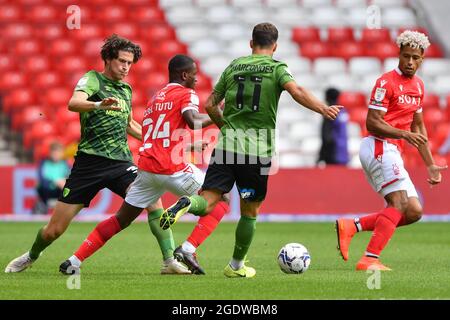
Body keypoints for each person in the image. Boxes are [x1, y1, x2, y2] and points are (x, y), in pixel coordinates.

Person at [159, 22, 342, 278]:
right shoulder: (277, 68)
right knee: (250, 211)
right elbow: (296, 90)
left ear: (250, 43)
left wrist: (225, 126)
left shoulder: (234, 66)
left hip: (225, 146)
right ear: (275, 46)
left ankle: (188, 203)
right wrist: (323, 108)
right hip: (255, 151)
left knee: (209, 199)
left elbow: (211, 104)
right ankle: (235, 266)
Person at [5, 34, 185, 274]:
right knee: (54, 230)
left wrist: (161, 142)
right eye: (122, 61)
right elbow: (74, 102)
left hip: (121, 163)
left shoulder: (126, 89)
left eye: (130, 63)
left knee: (152, 201)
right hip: (88, 165)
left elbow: (130, 124)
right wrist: (99, 104)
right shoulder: (92, 80)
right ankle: (32, 254)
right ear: (108, 59)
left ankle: (169, 261)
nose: (126, 67)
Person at [59, 54, 230, 275]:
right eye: (194, 76)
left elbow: (156, 136)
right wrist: (219, 116)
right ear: (185, 75)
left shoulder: (155, 99)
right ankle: (188, 246)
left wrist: (188, 147)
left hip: (147, 168)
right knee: (220, 199)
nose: (196, 80)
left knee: (122, 219)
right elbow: (192, 121)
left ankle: (73, 261)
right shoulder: (187, 93)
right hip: (171, 167)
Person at [336, 30, 447, 271]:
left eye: (415, 58)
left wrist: (429, 163)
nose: (409, 62)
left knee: (414, 210)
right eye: (405, 56)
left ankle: (352, 225)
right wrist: (403, 134)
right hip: (378, 145)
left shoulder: (418, 86)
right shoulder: (386, 82)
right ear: (398, 54)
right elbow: (372, 122)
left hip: (392, 149)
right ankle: (369, 259)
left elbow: (418, 126)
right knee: (398, 202)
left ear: (422, 58)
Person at [32, 141, 70, 215]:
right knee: (38, 185)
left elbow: (69, 178)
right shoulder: (44, 163)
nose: (56, 155)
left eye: (58, 152)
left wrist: (63, 182)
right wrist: (55, 182)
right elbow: (41, 179)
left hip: (61, 191)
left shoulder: (65, 164)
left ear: (62, 153)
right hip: (46, 191)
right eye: (54, 153)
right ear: (50, 153)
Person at [318, 88, 349, 166]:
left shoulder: (330, 112)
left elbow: (326, 136)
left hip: (332, 153)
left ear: (327, 97)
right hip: (343, 152)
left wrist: (321, 157)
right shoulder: (343, 111)